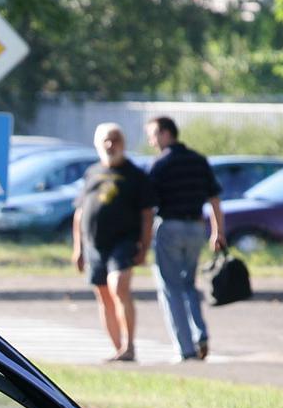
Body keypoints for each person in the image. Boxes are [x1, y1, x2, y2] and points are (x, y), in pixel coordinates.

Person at [72, 123, 156, 363]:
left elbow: (147, 214)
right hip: (94, 244)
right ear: (98, 144)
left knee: (118, 285)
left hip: (124, 241)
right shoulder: (92, 172)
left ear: (124, 143)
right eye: (106, 140)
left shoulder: (135, 175)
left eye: (115, 139)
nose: (111, 145)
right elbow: (79, 213)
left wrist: (144, 246)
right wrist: (78, 248)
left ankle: (129, 346)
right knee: (103, 294)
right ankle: (118, 348)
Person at [146, 116, 226, 362]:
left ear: (165, 134)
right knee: (188, 284)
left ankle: (185, 349)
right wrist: (218, 232)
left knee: (170, 288)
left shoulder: (160, 164)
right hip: (196, 228)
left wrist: (143, 238)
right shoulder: (198, 160)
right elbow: (214, 199)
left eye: (153, 135)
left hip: (170, 227)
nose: (151, 141)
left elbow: (148, 205)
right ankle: (200, 333)